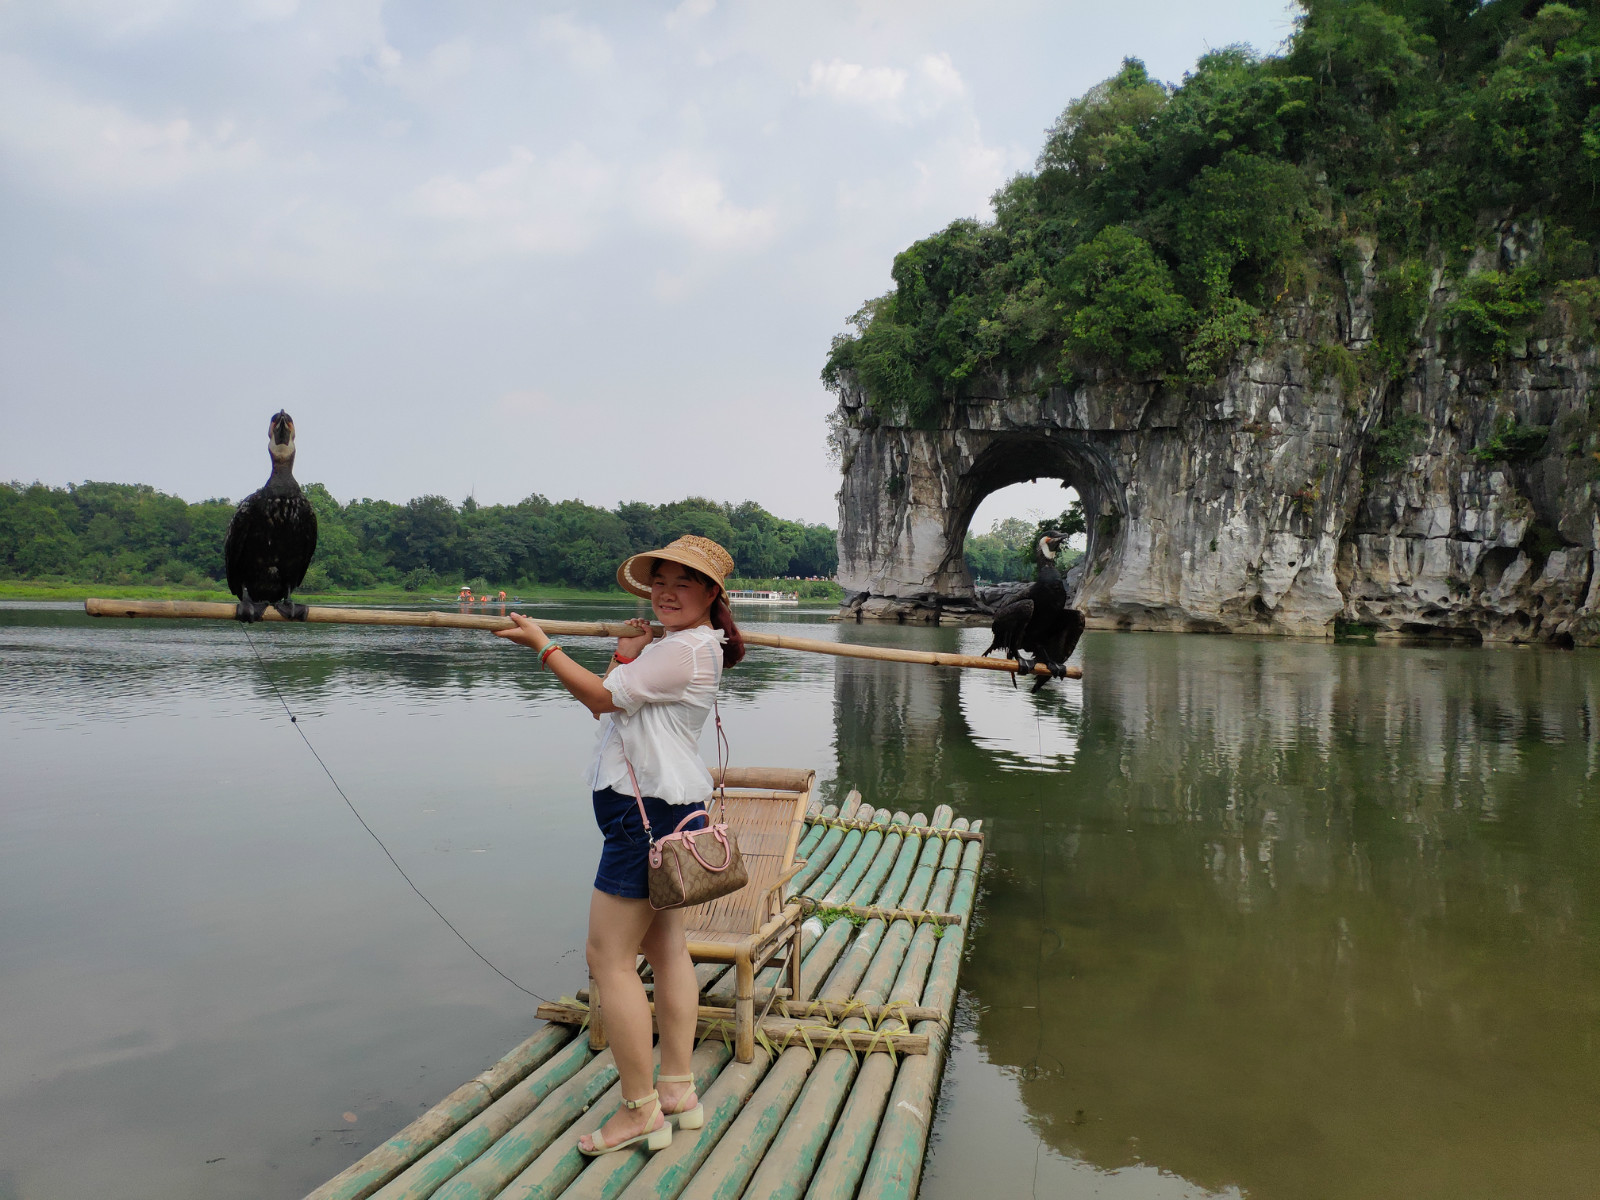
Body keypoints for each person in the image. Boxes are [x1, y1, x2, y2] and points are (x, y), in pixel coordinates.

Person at [494, 535, 745, 1156]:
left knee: (607, 957)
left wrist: (543, 646)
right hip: (663, 813)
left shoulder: (684, 651)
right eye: (659, 581)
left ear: (712, 594)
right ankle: (677, 1091)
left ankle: (637, 1110)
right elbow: (609, 712)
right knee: (665, 949)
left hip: (646, 823)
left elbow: (602, 697)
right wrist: (623, 651)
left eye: (683, 583)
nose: (665, 592)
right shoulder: (677, 649)